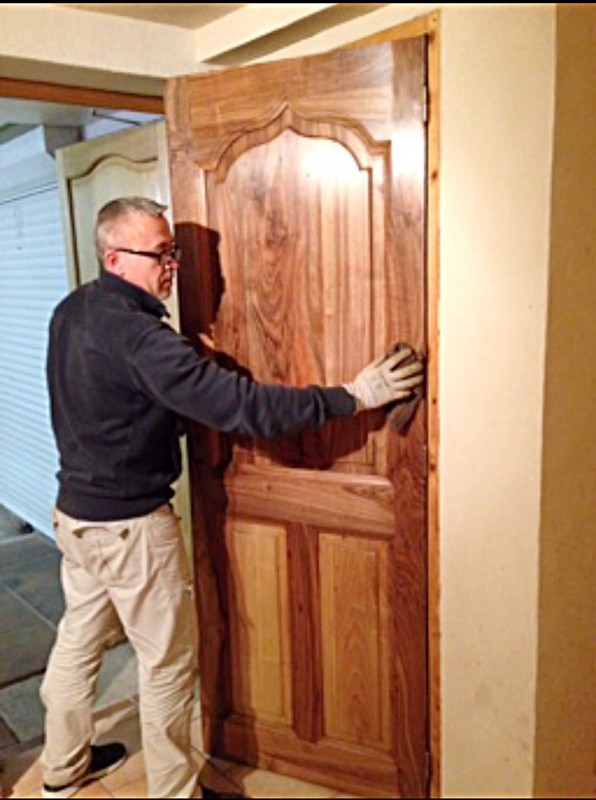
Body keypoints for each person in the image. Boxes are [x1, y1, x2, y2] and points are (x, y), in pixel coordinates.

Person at [41, 196, 424, 799]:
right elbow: (244, 408)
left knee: (78, 642)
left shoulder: (73, 311)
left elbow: (112, 400)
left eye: (176, 251)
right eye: (159, 254)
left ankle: (60, 774)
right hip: (129, 528)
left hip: (76, 517)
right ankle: (177, 794)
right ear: (115, 257)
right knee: (167, 667)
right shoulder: (142, 340)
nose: (173, 266)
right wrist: (353, 395)